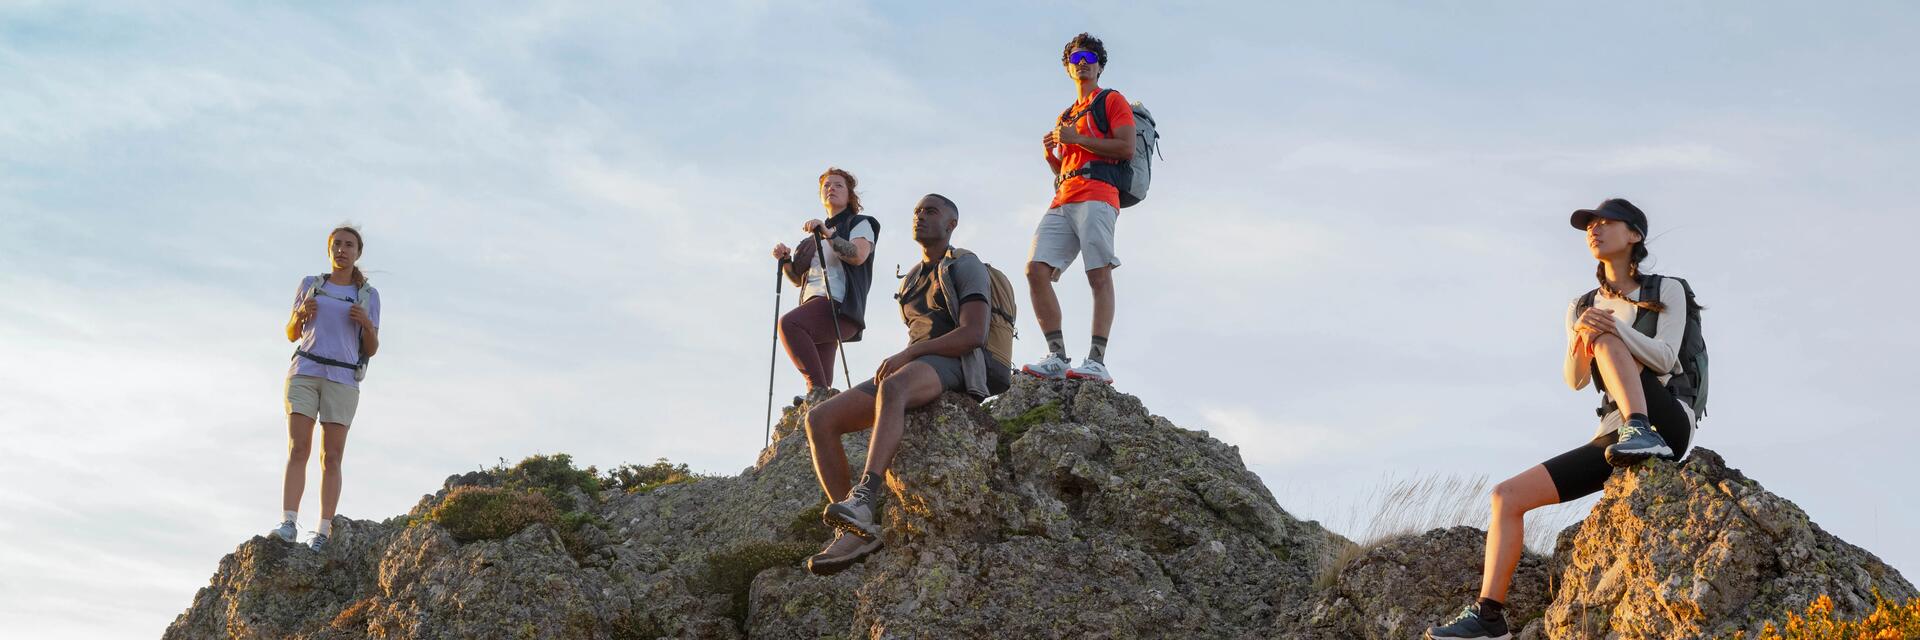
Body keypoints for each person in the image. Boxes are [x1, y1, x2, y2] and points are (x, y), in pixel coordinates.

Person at [1426, 199, 1700, 640]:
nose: (1595, 229)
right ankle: (1489, 618)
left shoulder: (1666, 289)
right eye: (1590, 225)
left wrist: (1610, 329)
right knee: (1505, 496)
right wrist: (1582, 335)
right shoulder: (1582, 304)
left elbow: (1666, 357)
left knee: (1606, 337)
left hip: (1666, 422)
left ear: (1634, 236)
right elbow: (1574, 380)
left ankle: (1640, 427)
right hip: (1614, 434)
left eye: (1606, 223)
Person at [800, 194, 1012, 575]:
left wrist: (908, 356)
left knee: (893, 388)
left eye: (931, 212)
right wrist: (909, 357)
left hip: (957, 363)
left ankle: (865, 495)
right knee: (819, 420)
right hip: (919, 363)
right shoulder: (913, 277)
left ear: (951, 224)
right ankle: (855, 527)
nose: (921, 217)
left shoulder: (966, 265)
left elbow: (974, 334)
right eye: (916, 211)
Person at [1021, 32, 1135, 385]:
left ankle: (1097, 360)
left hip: (1099, 194)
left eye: (1088, 58)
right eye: (1075, 59)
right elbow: (1068, 167)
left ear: (1099, 66)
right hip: (1065, 195)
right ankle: (1056, 356)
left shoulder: (1112, 100)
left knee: (1098, 274)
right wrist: (1052, 158)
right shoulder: (1067, 114)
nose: (1082, 64)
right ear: (1068, 68)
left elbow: (1126, 147)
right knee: (1035, 270)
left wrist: (1077, 139)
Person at [272, 225, 381, 553]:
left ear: (357, 252)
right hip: (305, 371)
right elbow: (292, 332)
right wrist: (300, 314)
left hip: (342, 379)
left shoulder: (368, 296)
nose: (342, 250)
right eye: (336, 245)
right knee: (297, 448)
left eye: (349, 245)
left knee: (331, 457)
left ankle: (323, 530)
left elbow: (372, 348)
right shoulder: (311, 286)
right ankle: (288, 523)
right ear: (329, 249)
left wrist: (364, 322)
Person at [772, 168, 881, 400]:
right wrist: (786, 261)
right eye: (826, 185)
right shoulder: (811, 239)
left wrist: (828, 234)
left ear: (850, 195)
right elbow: (796, 280)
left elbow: (858, 255)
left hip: (840, 305)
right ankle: (821, 402)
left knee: (790, 324)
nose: (831, 188)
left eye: (838, 185)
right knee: (822, 373)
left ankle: (817, 392)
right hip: (816, 306)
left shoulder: (860, 223)